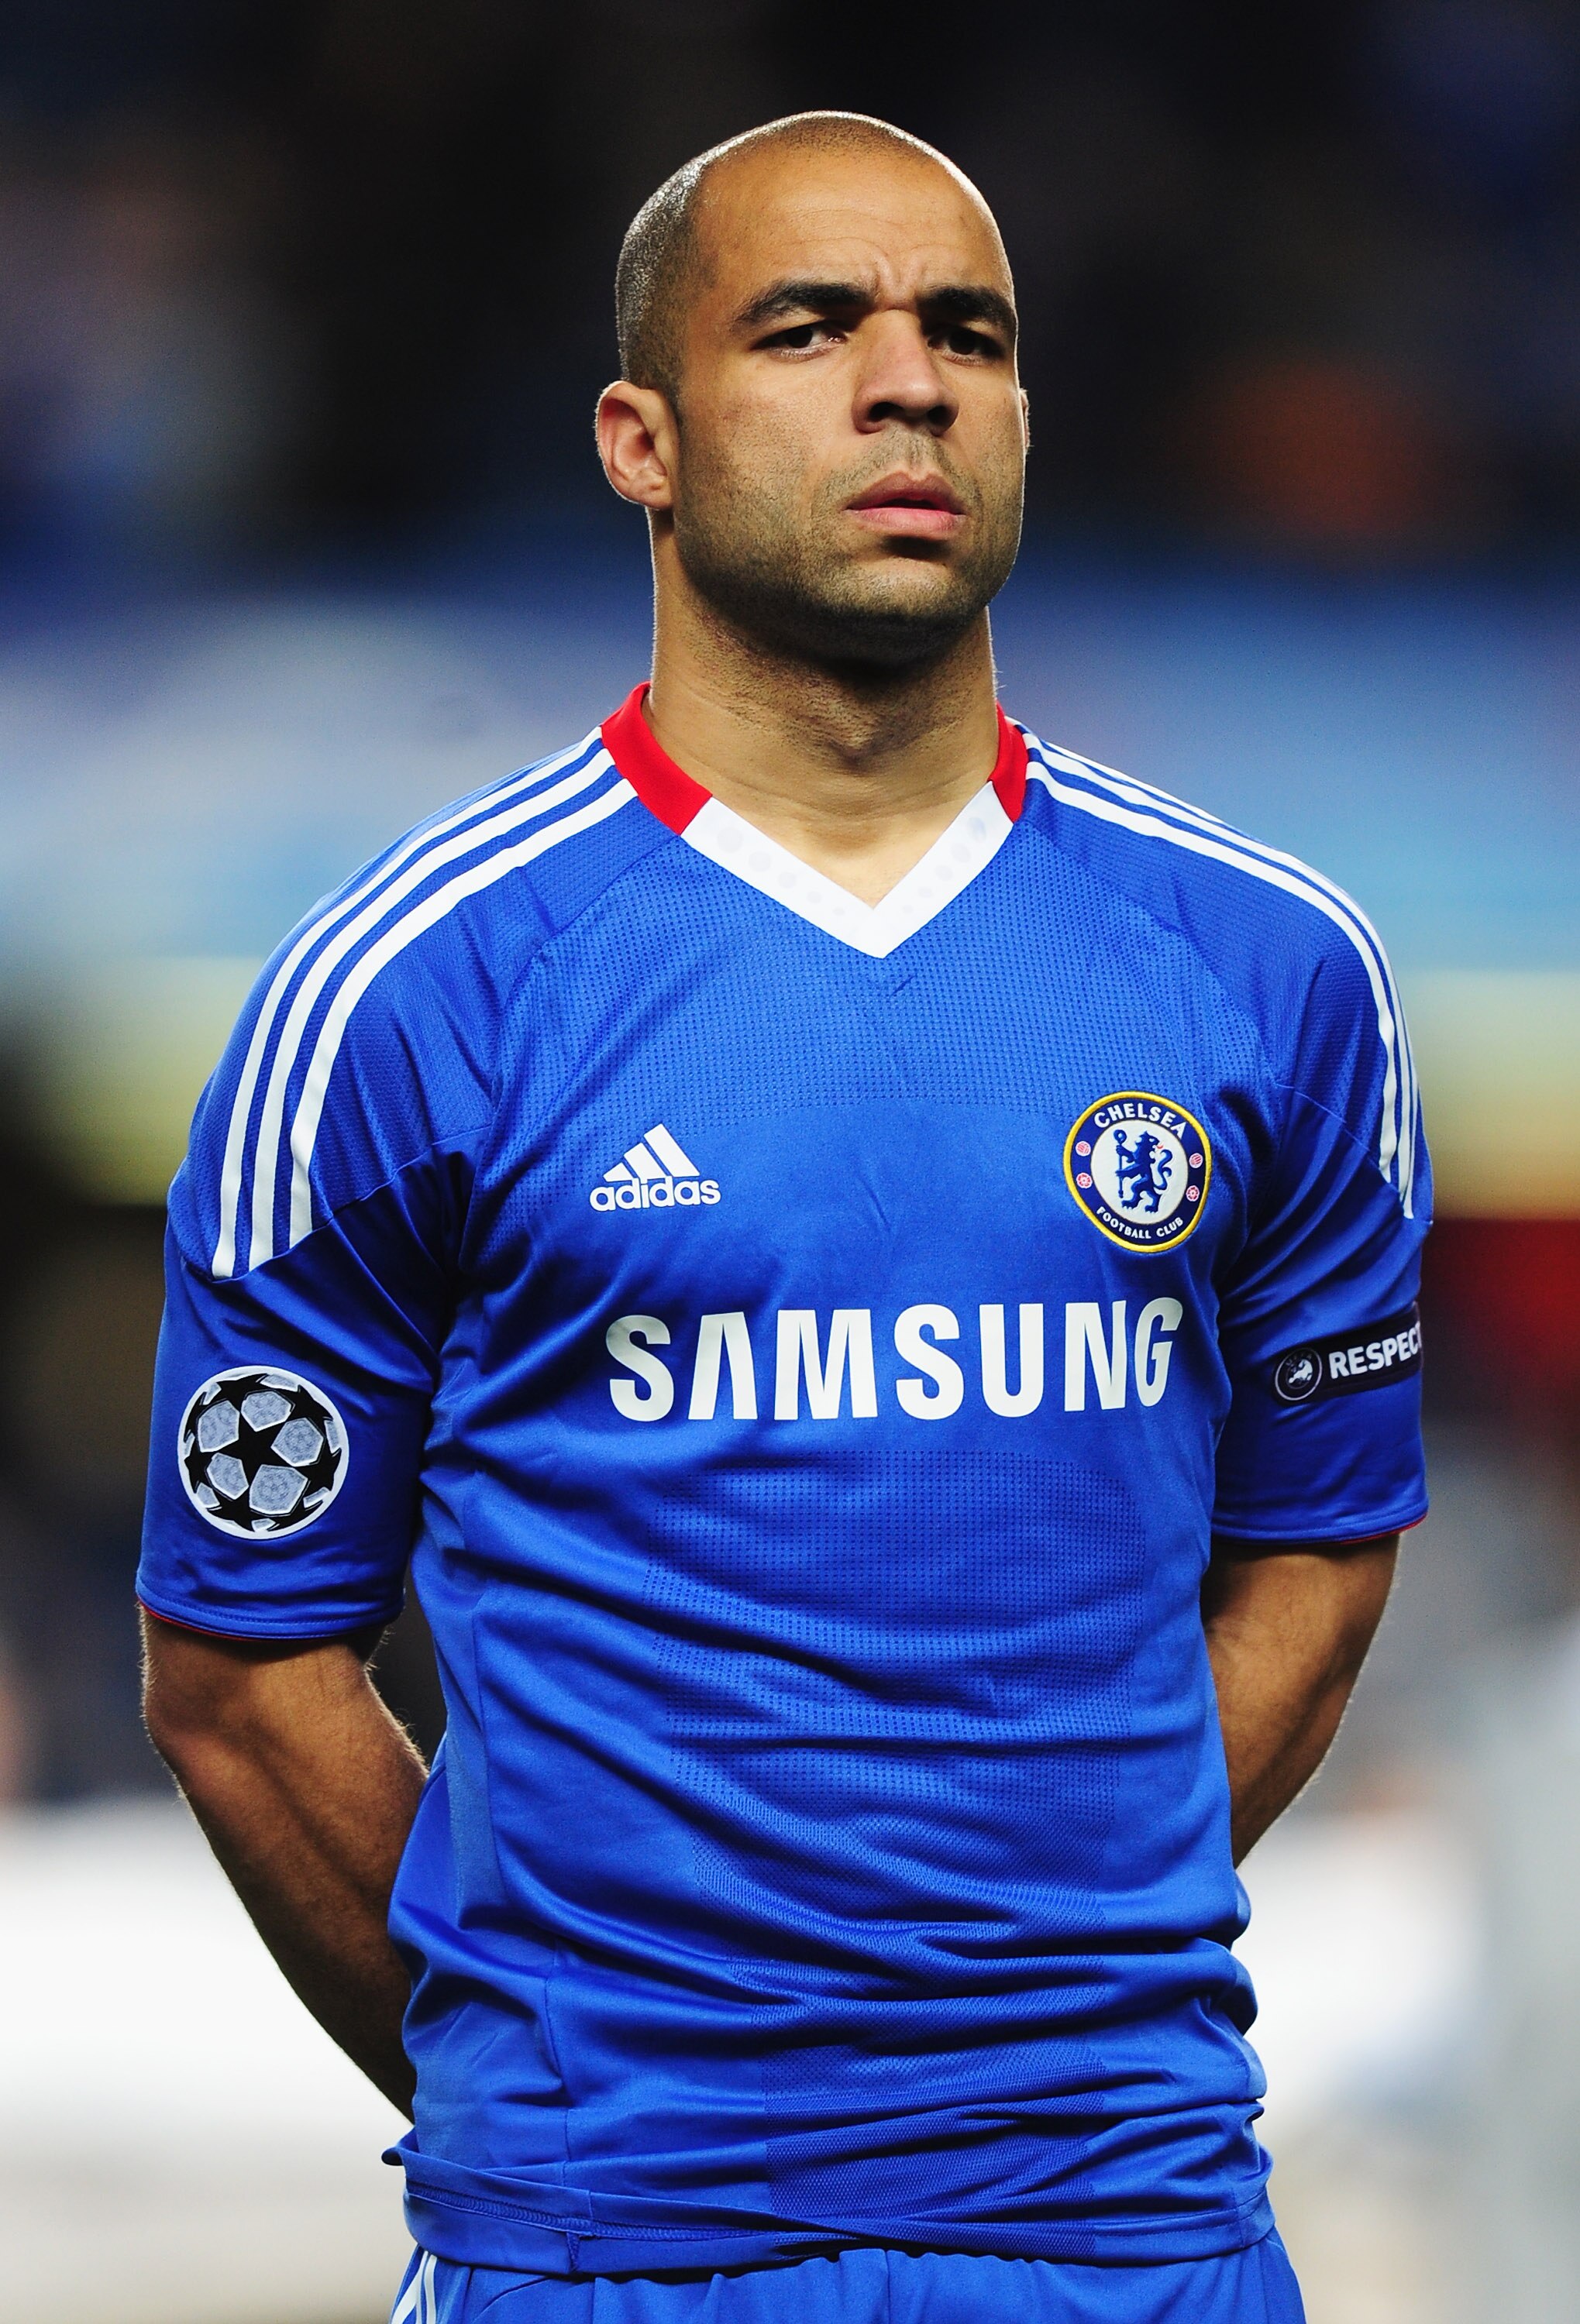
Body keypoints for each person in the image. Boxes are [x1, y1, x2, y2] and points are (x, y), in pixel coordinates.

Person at [139, 112, 1428, 2324]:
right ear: (639, 440)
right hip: (609, 2253)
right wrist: (554, 2084)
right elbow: (245, 1674)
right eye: (812, 329)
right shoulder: (407, 995)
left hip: (1132, 2231)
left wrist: (1026, 1975)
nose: (909, 384)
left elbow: (1318, 1549)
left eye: (969, 335)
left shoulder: (1273, 969)